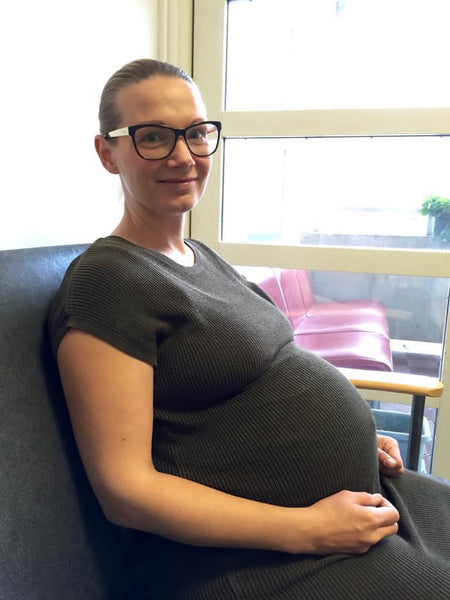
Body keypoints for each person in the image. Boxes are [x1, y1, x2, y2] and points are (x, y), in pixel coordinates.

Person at [48, 58, 450, 599]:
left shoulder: (199, 255)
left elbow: (257, 381)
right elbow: (126, 490)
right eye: (151, 137)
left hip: (355, 508)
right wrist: (308, 530)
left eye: (196, 133)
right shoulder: (106, 281)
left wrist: (358, 437)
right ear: (107, 153)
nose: (183, 156)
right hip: (267, 560)